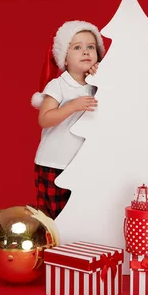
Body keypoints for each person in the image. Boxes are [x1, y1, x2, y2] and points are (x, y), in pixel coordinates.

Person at [30, 20, 106, 219]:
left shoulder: (97, 85)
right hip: (55, 162)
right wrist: (72, 106)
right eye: (77, 47)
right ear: (64, 57)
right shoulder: (59, 85)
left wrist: (103, 78)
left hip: (83, 164)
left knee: (79, 215)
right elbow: (44, 119)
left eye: (91, 47)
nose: (86, 52)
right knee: (55, 216)